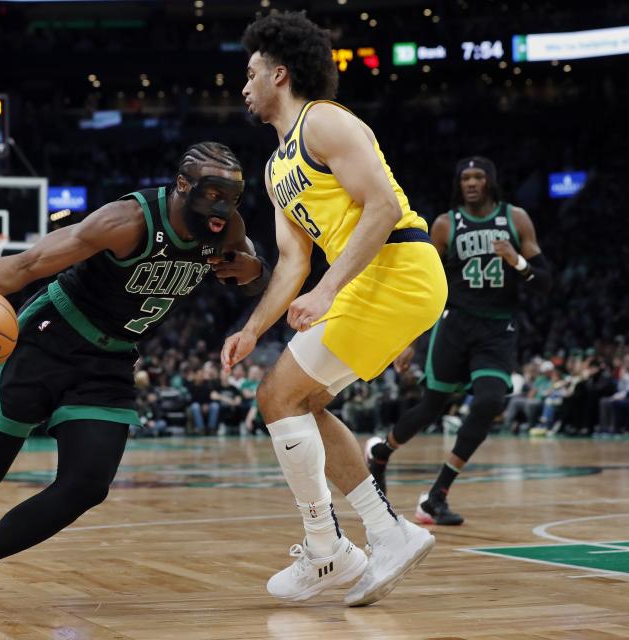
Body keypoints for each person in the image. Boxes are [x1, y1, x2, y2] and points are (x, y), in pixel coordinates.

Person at [0, 142, 269, 624]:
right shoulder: (125, 221)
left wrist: (254, 270)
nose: (221, 210)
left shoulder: (227, 229)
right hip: (48, 340)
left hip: (109, 362)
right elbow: (27, 265)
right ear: (182, 186)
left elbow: (254, 275)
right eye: (212, 195)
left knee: (86, 486)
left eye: (232, 198)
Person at [223, 12, 446, 607]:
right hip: (371, 280)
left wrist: (326, 293)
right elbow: (292, 263)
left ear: (280, 73)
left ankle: (330, 549)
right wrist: (250, 329)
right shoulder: (276, 168)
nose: (242, 86)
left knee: (278, 398)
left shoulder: (323, 121)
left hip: (399, 267)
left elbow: (379, 207)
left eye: (250, 73)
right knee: (297, 401)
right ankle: (381, 533)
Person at [365, 156, 552, 525]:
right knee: (431, 407)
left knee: (489, 401)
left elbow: (546, 281)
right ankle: (382, 453)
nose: (471, 183)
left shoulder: (516, 219)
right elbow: (425, 285)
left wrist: (517, 263)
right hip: (455, 325)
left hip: (498, 330)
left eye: (478, 176)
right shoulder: (445, 225)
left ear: (490, 181)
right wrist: (408, 338)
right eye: (465, 177)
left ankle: (436, 496)